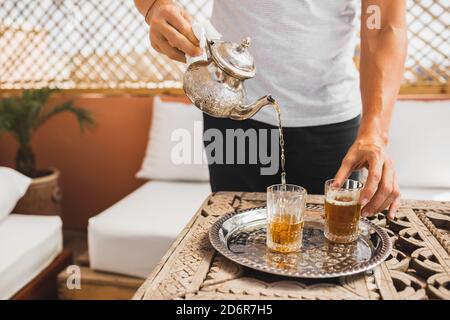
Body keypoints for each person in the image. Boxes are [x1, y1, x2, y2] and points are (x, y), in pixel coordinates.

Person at [134, 0, 407, 220]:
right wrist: (153, 6)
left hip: (331, 130)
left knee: (331, 258)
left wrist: (375, 135)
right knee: (233, 256)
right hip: (233, 117)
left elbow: (382, 25)